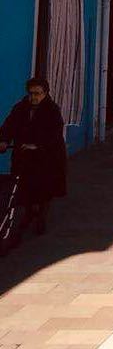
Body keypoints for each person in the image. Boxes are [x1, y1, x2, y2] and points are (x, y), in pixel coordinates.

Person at [0, 78, 67, 240]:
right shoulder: (21, 108)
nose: (34, 97)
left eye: (37, 94)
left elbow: (55, 134)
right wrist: (4, 140)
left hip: (46, 156)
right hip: (23, 155)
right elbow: (9, 125)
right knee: (24, 186)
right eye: (31, 93)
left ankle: (41, 216)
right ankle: (29, 213)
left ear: (45, 93)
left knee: (44, 187)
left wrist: (37, 146)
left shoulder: (52, 111)